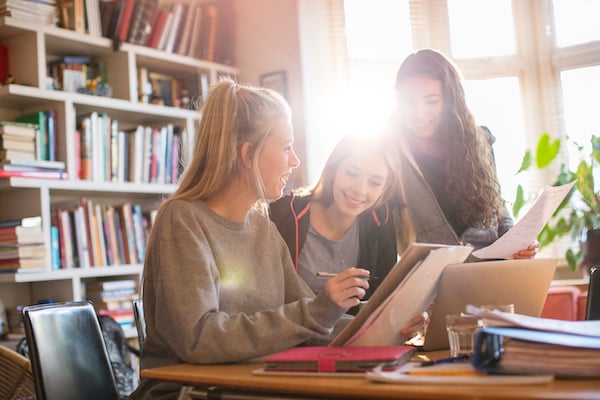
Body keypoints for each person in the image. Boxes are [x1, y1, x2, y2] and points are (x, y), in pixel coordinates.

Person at [130, 80, 421, 400]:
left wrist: (390, 331)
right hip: (187, 391)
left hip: (251, 384)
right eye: (286, 147)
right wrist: (314, 313)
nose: (295, 160)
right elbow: (198, 339)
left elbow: (311, 322)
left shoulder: (261, 226)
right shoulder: (183, 220)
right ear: (247, 153)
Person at [385, 48, 537, 259]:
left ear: (449, 100)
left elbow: (498, 211)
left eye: (431, 101)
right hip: (432, 276)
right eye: (410, 102)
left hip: (489, 269)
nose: (420, 112)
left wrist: (517, 242)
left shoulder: (479, 141)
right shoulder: (390, 149)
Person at [269, 133, 414, 300]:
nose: (360, 190)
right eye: (352, 173)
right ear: (334, 169)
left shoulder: (380, 221)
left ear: (385, 188)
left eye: (374, 183)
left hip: (357, 327)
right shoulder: (284, 213)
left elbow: (383, 301)